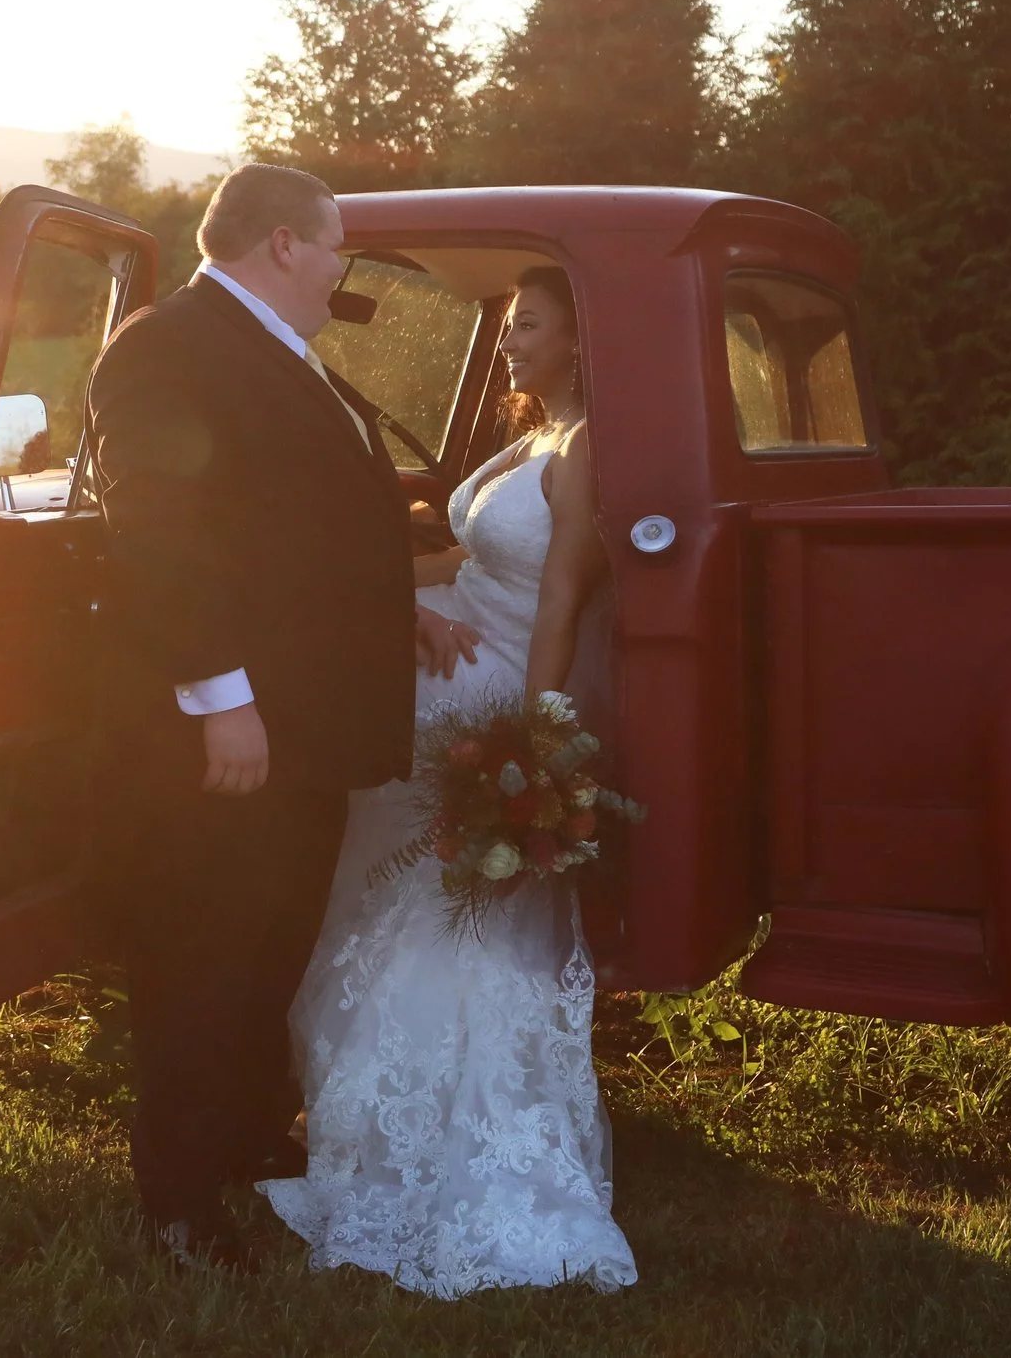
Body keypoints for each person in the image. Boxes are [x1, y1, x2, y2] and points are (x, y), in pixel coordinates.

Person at [86, 162, 478, 1269]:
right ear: (282, 245)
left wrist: (392, 616)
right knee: (204, 955)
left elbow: (299, 533)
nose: (344, 269)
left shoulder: (279, 350)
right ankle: (176, 1201)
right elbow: (160, 539)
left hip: (304, 725)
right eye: (337, 247)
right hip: (232, 733)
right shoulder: (168, 347)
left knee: (269, 950)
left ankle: (246, 1144)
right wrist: (224, 701)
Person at [260, 264, 640, 1298]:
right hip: (460, 642)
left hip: (503, 682)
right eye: (512, 326)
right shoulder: (529, 437)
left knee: (425, 887)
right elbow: (467, 564)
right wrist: (365, 584)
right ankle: (358, 1110)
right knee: (381, 876)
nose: (512, 342)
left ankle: (437, 1138)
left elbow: (557, 599)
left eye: (529, 326)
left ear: (581, 340)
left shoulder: (590, 443)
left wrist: (537, 731)